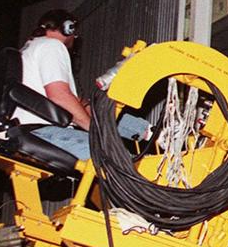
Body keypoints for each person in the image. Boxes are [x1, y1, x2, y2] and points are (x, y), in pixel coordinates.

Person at [15, 8, 148, 160]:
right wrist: (94, 130)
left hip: (27, 131)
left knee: (100, 112)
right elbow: (60, 96)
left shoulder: (29, 50)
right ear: (68, 28)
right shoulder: (52, 46)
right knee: (121, 162)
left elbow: (76, 104)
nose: (75, 38)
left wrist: (138, 129)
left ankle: (148, 131)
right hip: (44, 132)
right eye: (74, 32)